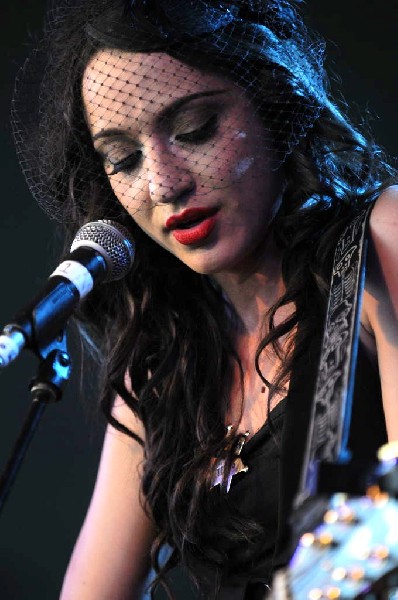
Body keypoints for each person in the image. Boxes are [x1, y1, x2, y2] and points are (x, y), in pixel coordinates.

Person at [11, 0, 398, 598]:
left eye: (194, 130)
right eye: (124, 158)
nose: (163, 183)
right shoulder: (160, 368)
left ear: (274, 106)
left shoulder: (378, 246)